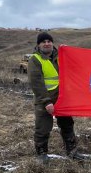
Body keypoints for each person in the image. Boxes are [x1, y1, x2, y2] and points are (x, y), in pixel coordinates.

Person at [27, 32, 77, 161]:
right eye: (43, 41)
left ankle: (72, 151)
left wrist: (69, 52)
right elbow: (36, 83)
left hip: (62, 99)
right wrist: (46, 102)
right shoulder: (35, 59)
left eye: (49, 41)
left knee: (67, 125)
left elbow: (74, 66)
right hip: (45, 100)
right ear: (39, 44)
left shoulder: (61, 56)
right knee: (43, 127)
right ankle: (42, 154)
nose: (47, 43)